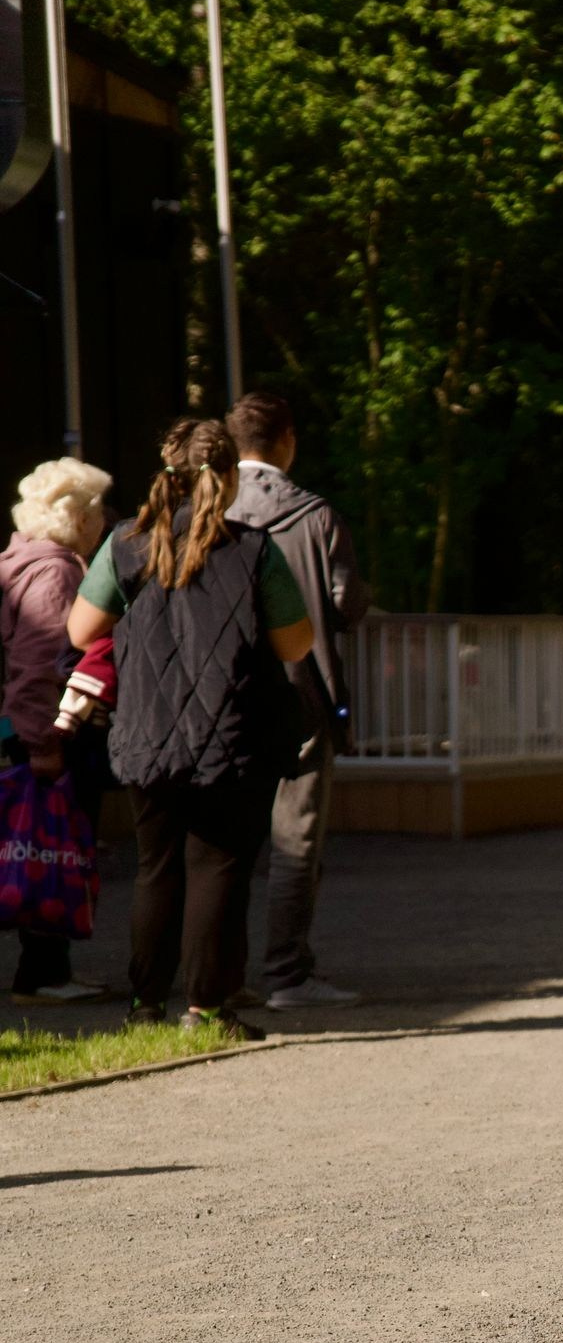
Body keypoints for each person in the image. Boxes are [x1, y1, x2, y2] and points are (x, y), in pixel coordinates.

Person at [66, 418, 315, 1038]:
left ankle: (145, 1006)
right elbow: (295, 644)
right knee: (217, 867)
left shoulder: (126, 543)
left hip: (147, 731)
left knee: (157, 867)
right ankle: (207, 1008)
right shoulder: (254, 551)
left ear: (165, 475)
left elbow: (79, 631)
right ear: (228, 478)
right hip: (233, 735)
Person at [225, 391, 370, 1010]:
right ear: (286, 438)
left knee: (219, 840)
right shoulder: (315, 515)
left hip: (219, 697)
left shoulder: (208, 510)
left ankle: (215, 978)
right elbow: (346, 603)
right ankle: (287, 972)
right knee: (296, 840)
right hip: (300, 695)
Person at [2, 458, 112, 1003]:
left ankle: (48, 968)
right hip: (40, 734)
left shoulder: (18, 560)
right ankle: (44, 973)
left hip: (18, 731)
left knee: (33, 845)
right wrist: (44, 744)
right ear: (79, 519)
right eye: (97, 512)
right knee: (48, 846)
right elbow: (40, 664)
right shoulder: (58, 572)